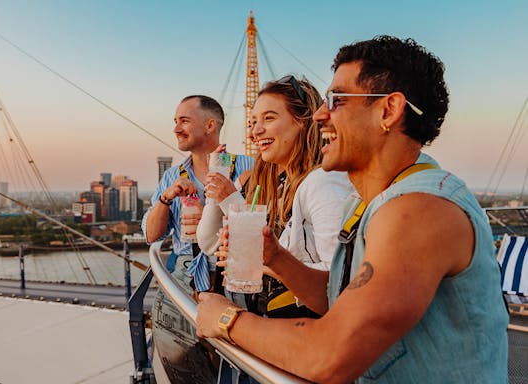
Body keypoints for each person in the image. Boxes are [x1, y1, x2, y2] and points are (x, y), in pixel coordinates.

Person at [196, 36, 509, 383]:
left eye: (337, 100)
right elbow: (339, 300)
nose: (319, 115)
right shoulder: (366, 203)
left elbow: (331, 354)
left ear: (388, 111)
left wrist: (227, 320)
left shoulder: (419, 210)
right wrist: (276, 258)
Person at [197, 76, 353, 317]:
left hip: (303, 333)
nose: (254, 133)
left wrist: (264, 260)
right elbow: (209, 242)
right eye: (252, 122)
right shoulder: (280, 184)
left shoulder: (321, 182)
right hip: (273, 326)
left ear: (303, 121)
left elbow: (341, 282)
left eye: (269, 118)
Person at [142, 95, 253, 383]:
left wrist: (215, 211)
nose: (176, 128)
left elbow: (261, 226)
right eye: (175, 121)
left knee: (240, 352)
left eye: (184, 120)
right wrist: (167, 199)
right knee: (177, 347)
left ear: (210, 125)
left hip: (235, 268)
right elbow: (151, 235)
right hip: (188, 269)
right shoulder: (172, 176)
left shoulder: (247, 168)